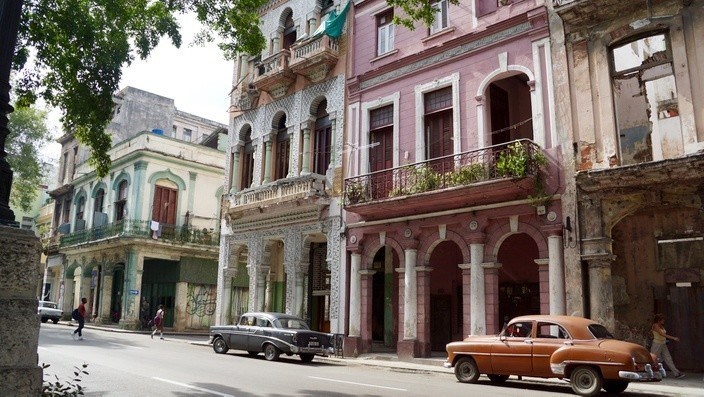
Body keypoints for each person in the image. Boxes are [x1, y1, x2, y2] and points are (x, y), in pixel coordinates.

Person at [650, 313, 685, 379]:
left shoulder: (661, 326)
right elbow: (662, 334)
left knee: (668, 358)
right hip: (657, 344)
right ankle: (650, 373)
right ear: (658, 320)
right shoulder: (655, 325)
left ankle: (676, 373)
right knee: (653, 359)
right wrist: (673, 338)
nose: (663, 321)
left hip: (663, 344)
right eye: (662, 320)